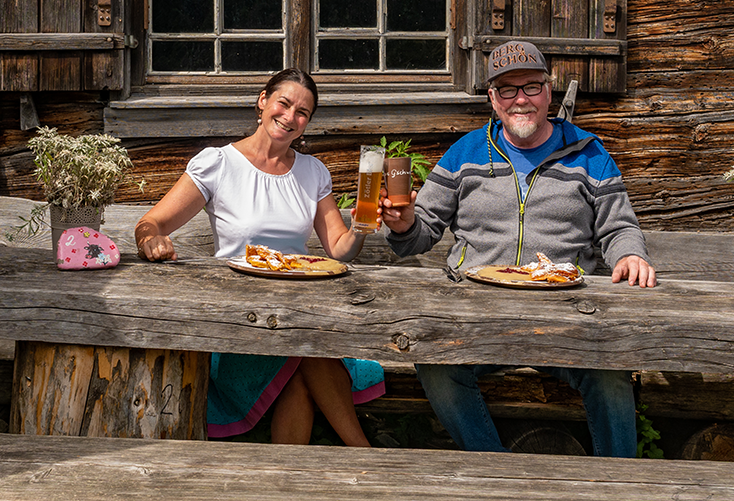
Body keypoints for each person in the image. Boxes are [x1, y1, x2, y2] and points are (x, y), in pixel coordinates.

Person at [381, 40, 656, 457]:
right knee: (435, 363)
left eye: (531, 86)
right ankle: (498, 473)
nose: (520, 99)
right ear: (493, 99)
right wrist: (403, 225)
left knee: (611, 374)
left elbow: (619, 226)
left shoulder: (589, 153)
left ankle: (621, 483)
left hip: (569, 317)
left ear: (548, 92)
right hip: (477, 316)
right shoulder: (465, 154)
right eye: (507, 90)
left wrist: (630, 255)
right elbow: (421, 234)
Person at [135, 68, 384, 445]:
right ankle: (367, 455)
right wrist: (151, 240)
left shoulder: (313, 172)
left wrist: (362, 228)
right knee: (306, 353)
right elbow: (151, 223)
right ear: (263, 101)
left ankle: (290, 478)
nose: (290, 116)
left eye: (303, 112)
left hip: (300, 314)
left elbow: (339, 249)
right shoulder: (218, 163)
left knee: (301, 359)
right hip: (240, 320)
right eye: (283, 103)